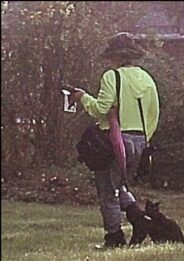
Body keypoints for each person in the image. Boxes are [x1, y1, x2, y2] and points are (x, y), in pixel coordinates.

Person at [70, 32, 160, 247]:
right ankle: (139, 220)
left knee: (107, 192)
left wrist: (82, 97)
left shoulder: (112, 76)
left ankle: (114, 238)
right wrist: (143, 137)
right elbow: (154, 113)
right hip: (140, 141)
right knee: (119, 185)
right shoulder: (147, 78)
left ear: (118, 56)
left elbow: (101, 110)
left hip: (115, 141)